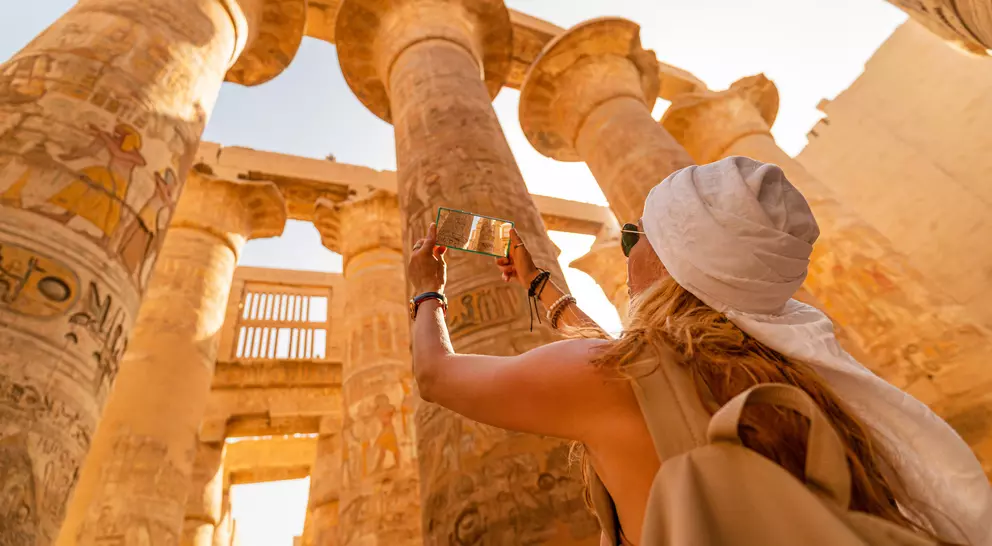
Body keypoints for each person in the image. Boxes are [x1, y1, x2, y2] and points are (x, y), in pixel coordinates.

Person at [406, 157, 991, 546]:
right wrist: (542, 288)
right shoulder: (789, 368)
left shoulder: (611, 378)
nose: (626, 251)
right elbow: (621, 363)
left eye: (634, 236)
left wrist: (426, 290)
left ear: (674, 258)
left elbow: (436, 375)